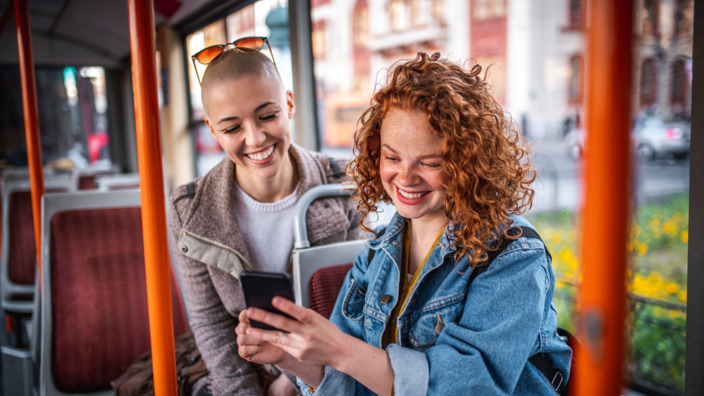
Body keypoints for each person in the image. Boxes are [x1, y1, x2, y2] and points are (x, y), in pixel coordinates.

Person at [235, 52, 572, 395]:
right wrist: (292, 359)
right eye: (392, 157)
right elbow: (355, 381)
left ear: (467, 164)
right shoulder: (378, 251)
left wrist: (340, 349)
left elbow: (468, 386)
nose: (406, 178)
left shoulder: (513, 256)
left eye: (429, 162)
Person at [168, 37, 364, 396]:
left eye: (268, 116)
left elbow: (357, 306)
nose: (255, 138)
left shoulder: (342, 185)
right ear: (212, 130)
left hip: (332, 369)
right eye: (232, 129)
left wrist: (292, 383)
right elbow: (211, 325)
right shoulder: (189, 210)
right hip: (245, 370)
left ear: (288, 104)